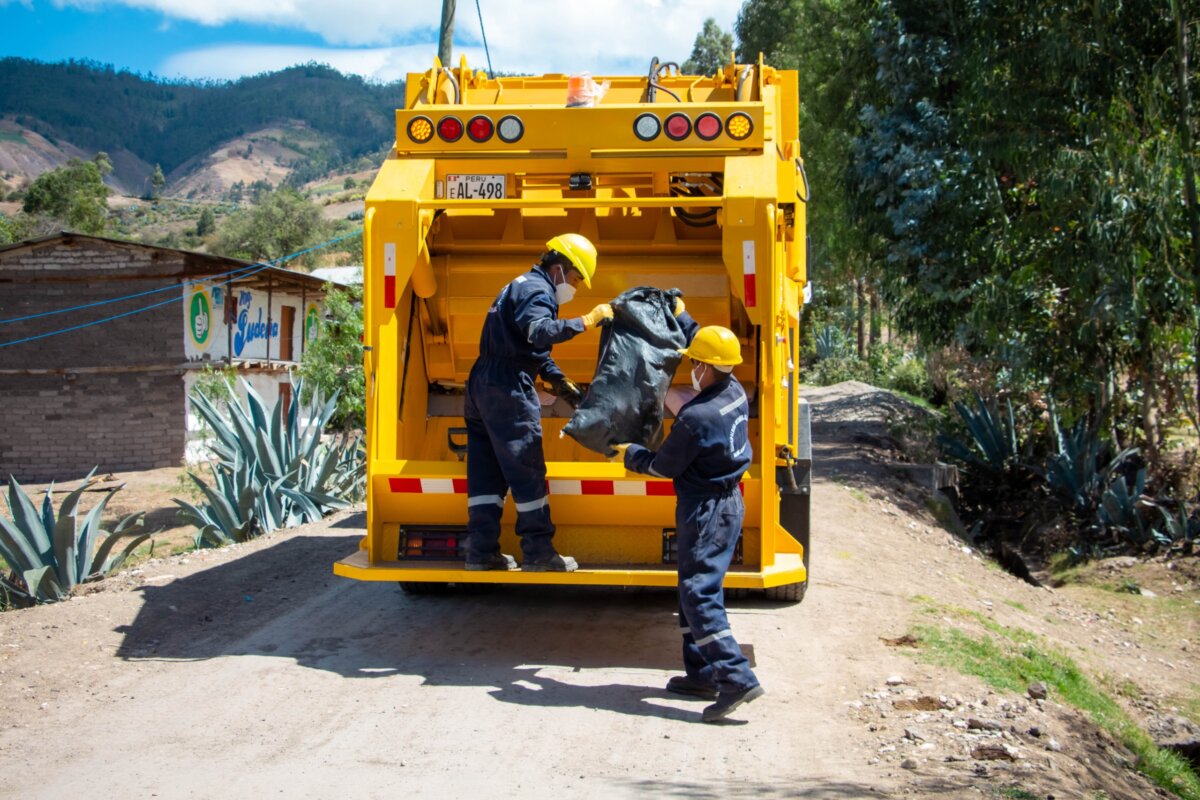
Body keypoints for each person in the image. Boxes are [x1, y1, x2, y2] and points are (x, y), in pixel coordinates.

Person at [619, 325, 763, 723]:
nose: (690, 369)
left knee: (698, 593)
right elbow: (710, 341)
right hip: (728, 501)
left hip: (706, 510)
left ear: (703, 366)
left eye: (693, 362)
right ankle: (701, 674)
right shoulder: (735, 393)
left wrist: (628, 453)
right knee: (692, 586)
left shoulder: (695, 417)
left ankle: (736, 677)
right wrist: (685, 320)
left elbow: (661, 466)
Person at [464, 233, 613, 572]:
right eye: (575, 279)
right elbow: (539, 332)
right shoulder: (538, 290)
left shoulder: (519, 285)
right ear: (560, 267)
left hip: (483, 383)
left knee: (486, 471)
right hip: (506, 387)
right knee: (526, 468)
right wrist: (587, 322)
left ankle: (481, 551)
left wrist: (559, 381)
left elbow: (530, 348)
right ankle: (539, 552)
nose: (574, 287)